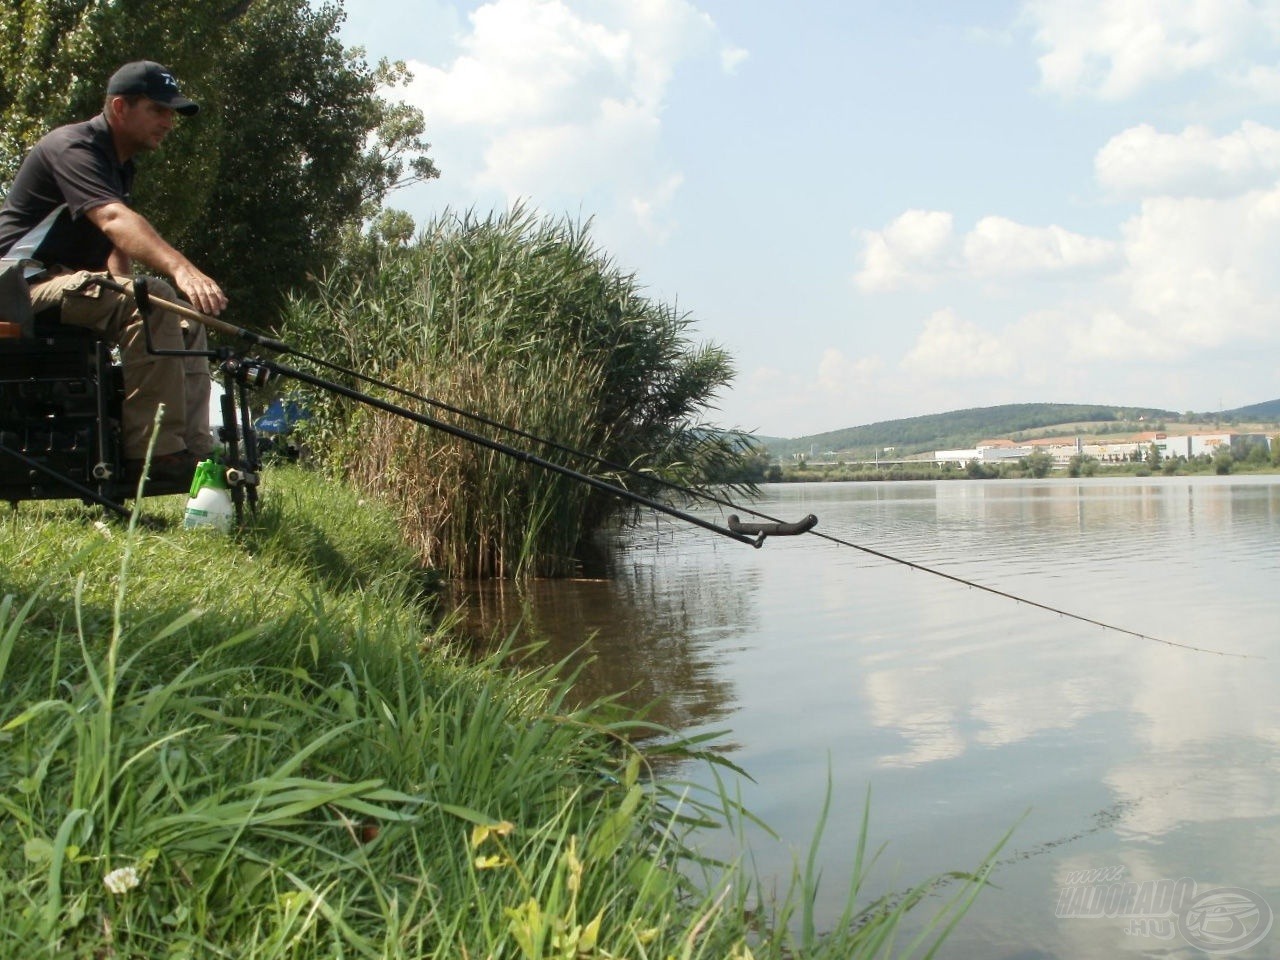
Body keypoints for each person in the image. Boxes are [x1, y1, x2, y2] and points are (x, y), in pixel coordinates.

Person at [0, 60, 227, 486]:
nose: (168, 123)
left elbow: (113, 250)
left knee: (180, 315)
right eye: (158, 110)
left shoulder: (118, 163)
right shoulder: (74, 146)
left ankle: (195, 449)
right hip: (16, 285)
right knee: (156, 294)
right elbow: (113, 220)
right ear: (121, 107)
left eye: (171, 113)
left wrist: (145, 293)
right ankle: (156, 455)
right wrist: (181, 269)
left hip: (58, 283)